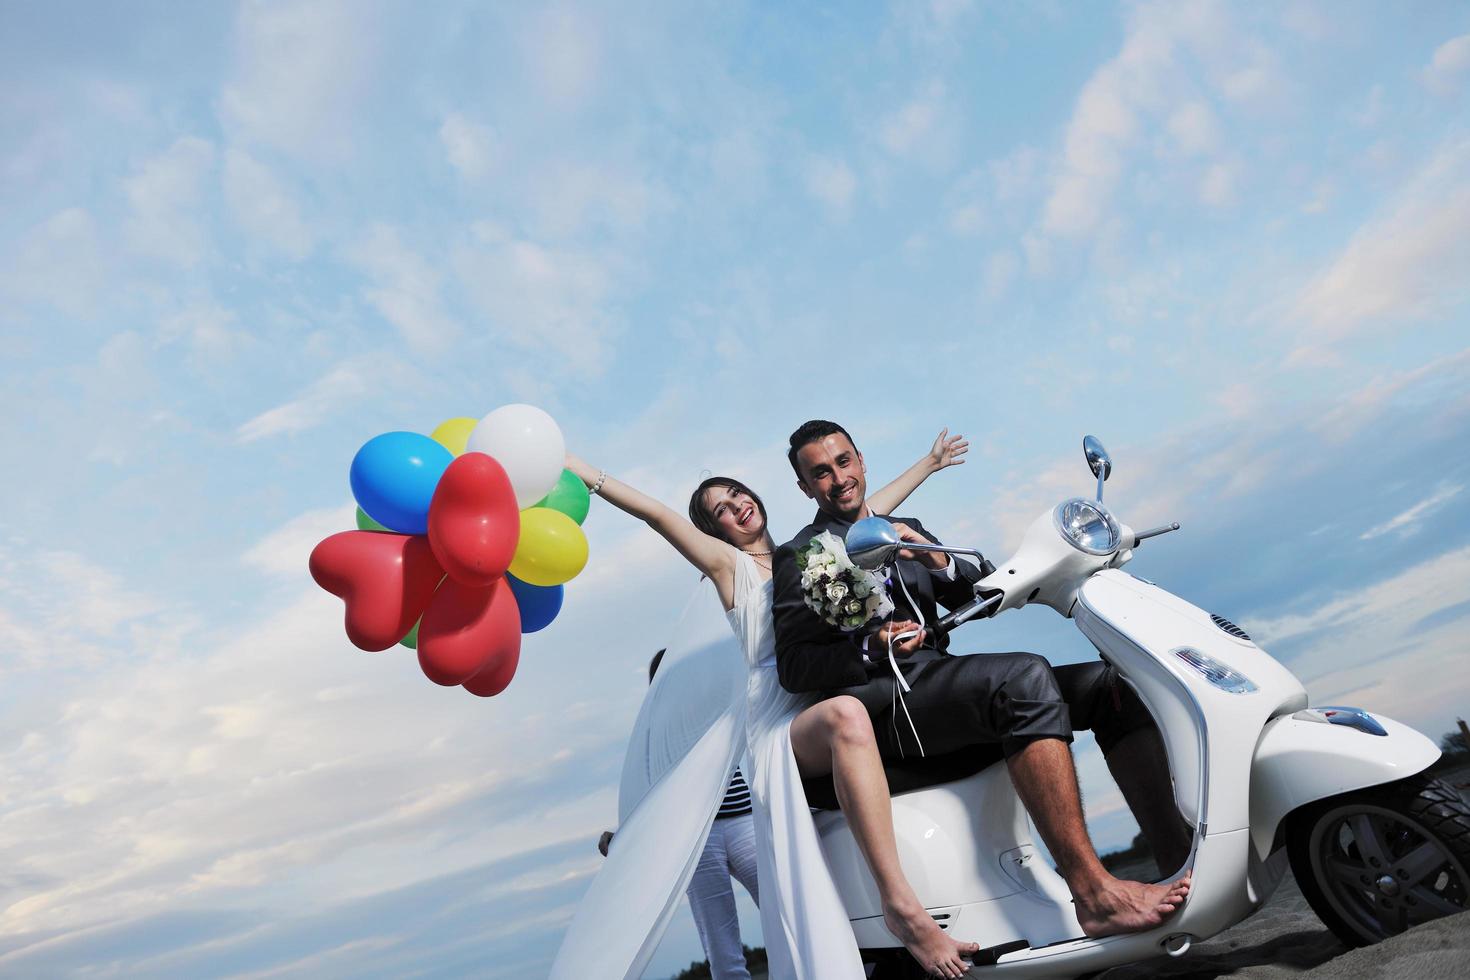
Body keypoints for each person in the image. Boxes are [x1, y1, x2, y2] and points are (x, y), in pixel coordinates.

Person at [563, 430, 979, 979]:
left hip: (824, 693)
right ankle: (902, 908)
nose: (737, 506)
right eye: (721, 510)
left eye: (737, 493)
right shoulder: (728, 569)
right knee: (848, 717)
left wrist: (929, 463)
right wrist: (581, 471)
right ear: (715, 531)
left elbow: (870, 509)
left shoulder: (806, 553)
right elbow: (658, 516)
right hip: (778, 722)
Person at [772, 419, 1193, 943]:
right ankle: (1094, 894)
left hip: (944, 682)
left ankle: (1179, 862)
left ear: (860, 460)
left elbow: (982, 591)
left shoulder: (906, 525)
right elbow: (794, 665)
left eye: (843, 462)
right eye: (820, 473)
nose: (837, 479)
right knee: (1022, 675)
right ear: (804, 487)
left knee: (1107, 685)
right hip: (890, 707)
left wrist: (933, 555)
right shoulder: (802, 556)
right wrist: (870, 645)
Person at [598, 650, 762, 980]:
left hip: (742, 819)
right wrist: (624, 837)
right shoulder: (654, 734)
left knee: (784, 906)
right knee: (721, 945)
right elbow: (644, 790)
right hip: (696, 836)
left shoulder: (719, 707)